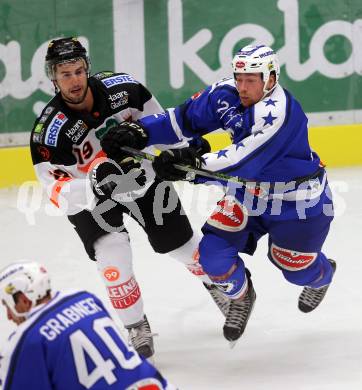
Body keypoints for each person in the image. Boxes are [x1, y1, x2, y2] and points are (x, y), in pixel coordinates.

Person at [101, 44, 336, 345]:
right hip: (247, 197)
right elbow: (182, 120)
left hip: (296, 204)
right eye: (239, 77)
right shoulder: (226, 93)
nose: (242, 86)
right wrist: (142, 132)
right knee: (212, 257)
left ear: (271, 79)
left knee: (294, 269)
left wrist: (192, 165)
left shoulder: (280, 114)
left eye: (251, 79)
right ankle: (241, 296)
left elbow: (245, 161)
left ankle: (323, 273)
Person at [30, 37, 228, 358]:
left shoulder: (125, 89)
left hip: (140, 178)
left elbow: (160, 125)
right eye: (65, 74)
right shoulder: (50, 130)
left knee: (182, 247)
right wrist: (94, 185)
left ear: (87, 69)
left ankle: (218, 285)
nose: (74, 80)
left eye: (79, 71)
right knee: (113, 261)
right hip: (92, 199)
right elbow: (55, 190)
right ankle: (136, 325)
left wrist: (181, 155)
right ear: (53, 78)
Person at [0, 261, 176, 389]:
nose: (8, 316)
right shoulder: (85, 298)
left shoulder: (27, 339)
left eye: (6, 306)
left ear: (23, 299)